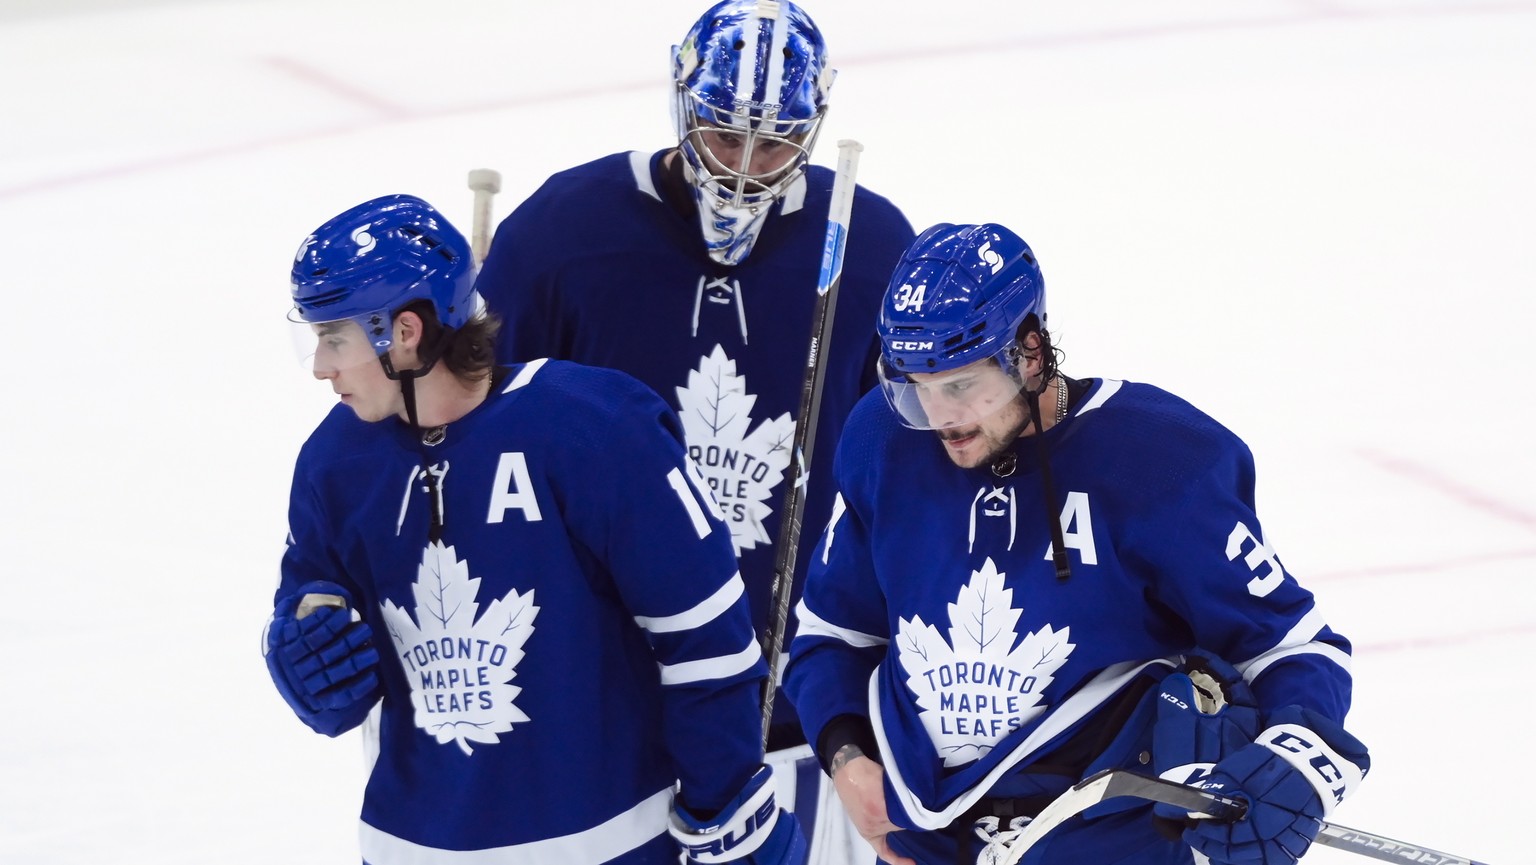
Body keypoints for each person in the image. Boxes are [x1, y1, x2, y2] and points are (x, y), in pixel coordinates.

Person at [473, 2, 915, 861]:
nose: (747, 169)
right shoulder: (560, 235)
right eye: (723, 136)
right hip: (597, 699)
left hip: (793, 703)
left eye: (778, 143)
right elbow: (476, 438)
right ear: (681, 103)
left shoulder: (867, 243)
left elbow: (917, 461)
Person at [783, 222, 1370, 865]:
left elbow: (1292, 646)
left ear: (1029, 355)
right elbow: (832, 636)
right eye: (914, 388)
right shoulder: (883, 441)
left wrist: (1297, 761)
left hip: (1114, 842)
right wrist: (844, 755)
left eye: (959, 384)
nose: (940, 416)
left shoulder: (1159, 462)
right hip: (930, 844)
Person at [263, 193, 807, 865]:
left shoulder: (596, 428)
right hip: (409, 845)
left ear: (403, 332)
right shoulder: (333, 464)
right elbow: (315, 616)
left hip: (607, 847)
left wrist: (725, 807)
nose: (321, 367)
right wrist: (306, 653)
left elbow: (704, 639)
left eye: (333, 338)